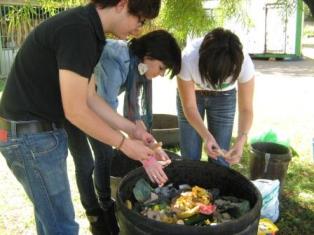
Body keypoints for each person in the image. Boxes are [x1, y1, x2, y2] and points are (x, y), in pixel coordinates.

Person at [0, 0, 163, 234]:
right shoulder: (79, 30)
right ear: (122, 4)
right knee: (63, 227)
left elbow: (90, 98)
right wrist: (124, 144)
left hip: (37, 135)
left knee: (51, 222)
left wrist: (134, 130)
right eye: (140, 19)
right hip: (30, 138)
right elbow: (75, 110)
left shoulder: (90, 32)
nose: (139, 29)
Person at [65, 29, 181, 235]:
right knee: (85, 163)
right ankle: (95, 214)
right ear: (150, 56)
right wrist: (131, 145)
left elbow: (133, 114)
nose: (161, 74)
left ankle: (105, 203)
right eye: (162, 68)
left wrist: (151, 146)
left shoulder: (135, 66)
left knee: (104, 154)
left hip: (94, 106)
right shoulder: (116, 60)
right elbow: (105, 108)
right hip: (71, 107)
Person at [176, 27, 255, 167]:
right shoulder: (188, 58)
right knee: (190, 157)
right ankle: (188, 187)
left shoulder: (244, 63)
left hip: (224, 99)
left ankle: (216, 189)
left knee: (221, 159)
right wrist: (207, 137)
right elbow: (189, 107)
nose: (216, 85)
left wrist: (241, 140)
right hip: (193, 94)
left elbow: (246, 109)